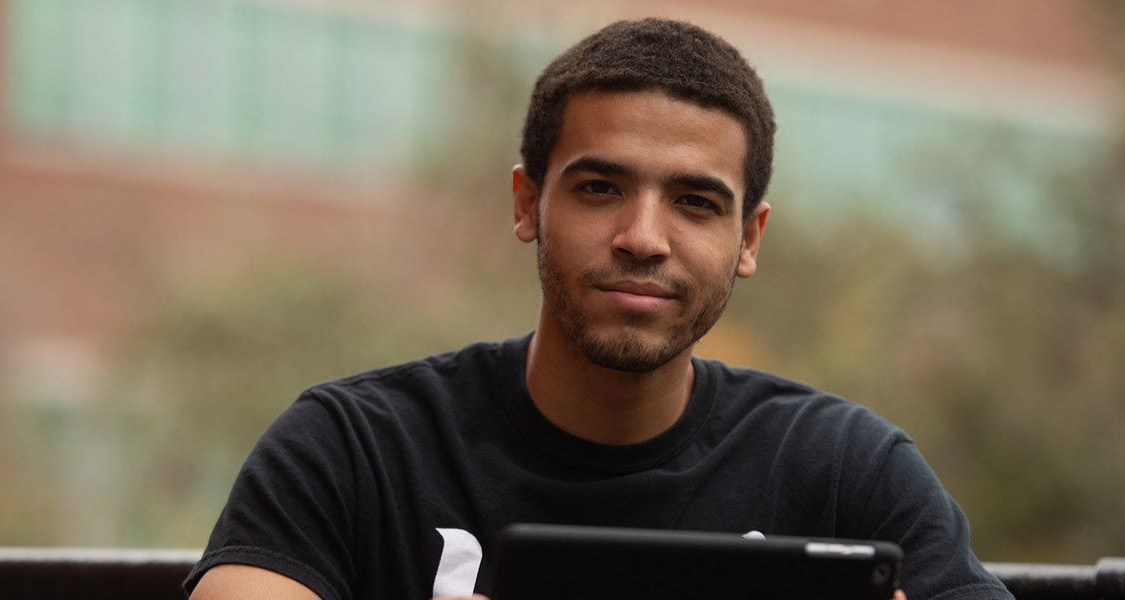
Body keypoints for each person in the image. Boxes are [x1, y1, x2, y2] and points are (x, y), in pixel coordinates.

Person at [185, 17, 1012, 600]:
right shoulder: (352, 447)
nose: (642, 237)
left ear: (748, 237)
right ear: (526, 203)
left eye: (695, 201)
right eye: (600, 187)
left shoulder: (840, 469)